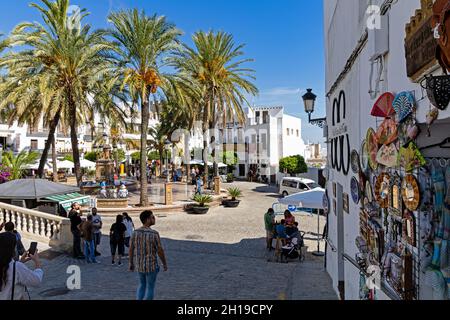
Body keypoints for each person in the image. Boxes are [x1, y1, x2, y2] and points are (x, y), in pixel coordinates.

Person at [129, 210, 167, 300]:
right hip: (152, 265)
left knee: (142, 284)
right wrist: (164, 263)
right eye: (152, 217)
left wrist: (131, 263)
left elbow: (131, 249)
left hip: (140, 265)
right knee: (150, 287)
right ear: (147, 219)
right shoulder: (154, 234)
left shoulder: (135, 232)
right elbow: (160, 250)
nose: (154, 219)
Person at [0, 232, 43, 300]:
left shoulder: (15, 267)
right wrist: (37, 262)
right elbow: (36, 281)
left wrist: (20, 262)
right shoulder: (17, 268)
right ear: (13, 248)